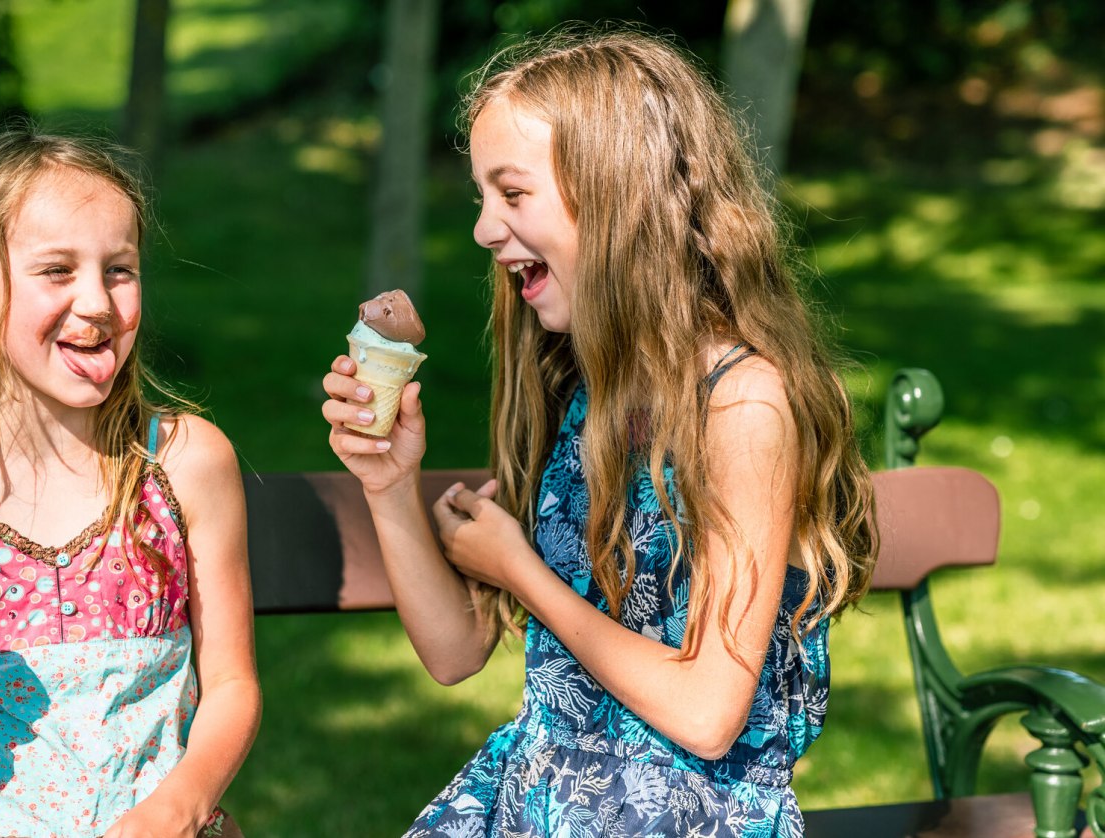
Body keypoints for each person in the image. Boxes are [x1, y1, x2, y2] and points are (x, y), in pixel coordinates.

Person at [321, 27, 877, 837]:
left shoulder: (743, 407)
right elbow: (452, 652)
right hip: (540, 794)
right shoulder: (582, 388)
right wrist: (388, 482)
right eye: (483, 197)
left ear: (620, 197)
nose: (483, 228)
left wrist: (522, 573)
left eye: (512, 195)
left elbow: (708, 710)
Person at [0, 126, 260, 838]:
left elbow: (230, 685)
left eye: (119, 269)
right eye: (58, 270)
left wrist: (180, 803)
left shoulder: (186, 464)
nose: (97, 302)